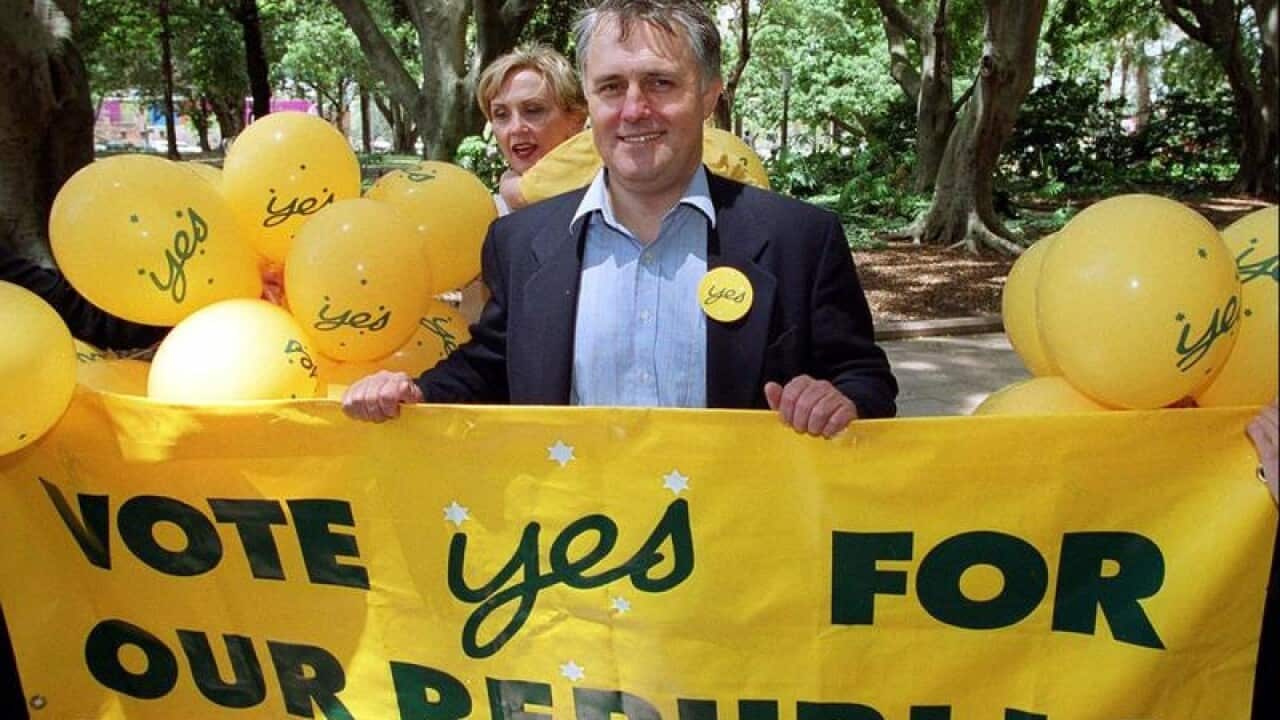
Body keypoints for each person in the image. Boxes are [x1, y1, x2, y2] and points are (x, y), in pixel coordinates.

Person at [343, 0, 897, 435]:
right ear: (589, 97)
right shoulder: (519, 242)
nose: (634, 109)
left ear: (708, 96)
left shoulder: (800, 239)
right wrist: (413, 394)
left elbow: (866, 380)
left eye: (660, 83)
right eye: (612, 87)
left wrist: (838, 399)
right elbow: (492, 369)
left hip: (741, 559)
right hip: (578, 554)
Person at [476, 45, 588, 215]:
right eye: (501, 114)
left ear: (577, 119)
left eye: (533, 110)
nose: (516, 128)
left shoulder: (612, 192)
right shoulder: (485, 217)